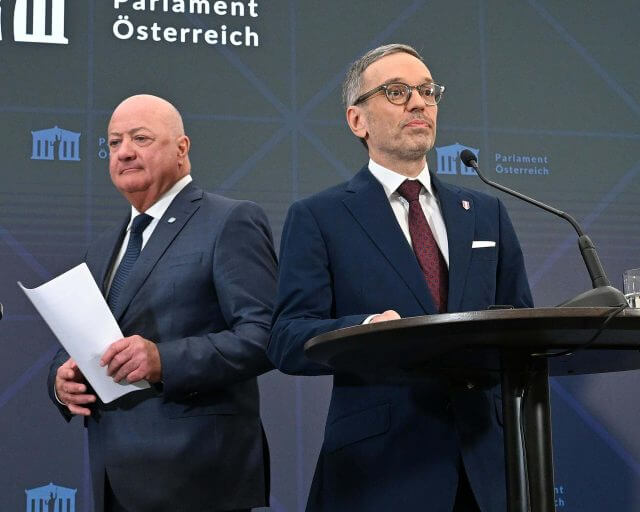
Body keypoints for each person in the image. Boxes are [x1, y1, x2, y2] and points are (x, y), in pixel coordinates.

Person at [268, 44, 533, 511]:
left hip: (487, 467)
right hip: (380, 470)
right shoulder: (320, 216)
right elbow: (287, 338)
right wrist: (365, 330)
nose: (418, 103)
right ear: (357, 121)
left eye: (427, 92)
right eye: (396, 92)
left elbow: (522, 326)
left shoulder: (485, 211)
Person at [48, 94, 277, 512]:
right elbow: (81, 343)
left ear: (182, 149)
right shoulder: (101, 248)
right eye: (114, 142)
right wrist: (61, 382)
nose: (124, 152)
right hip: (115, 481)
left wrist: (163, 361)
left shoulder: (230, 221)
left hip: (200, 480)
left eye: (140, 138)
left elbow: (265, 336)